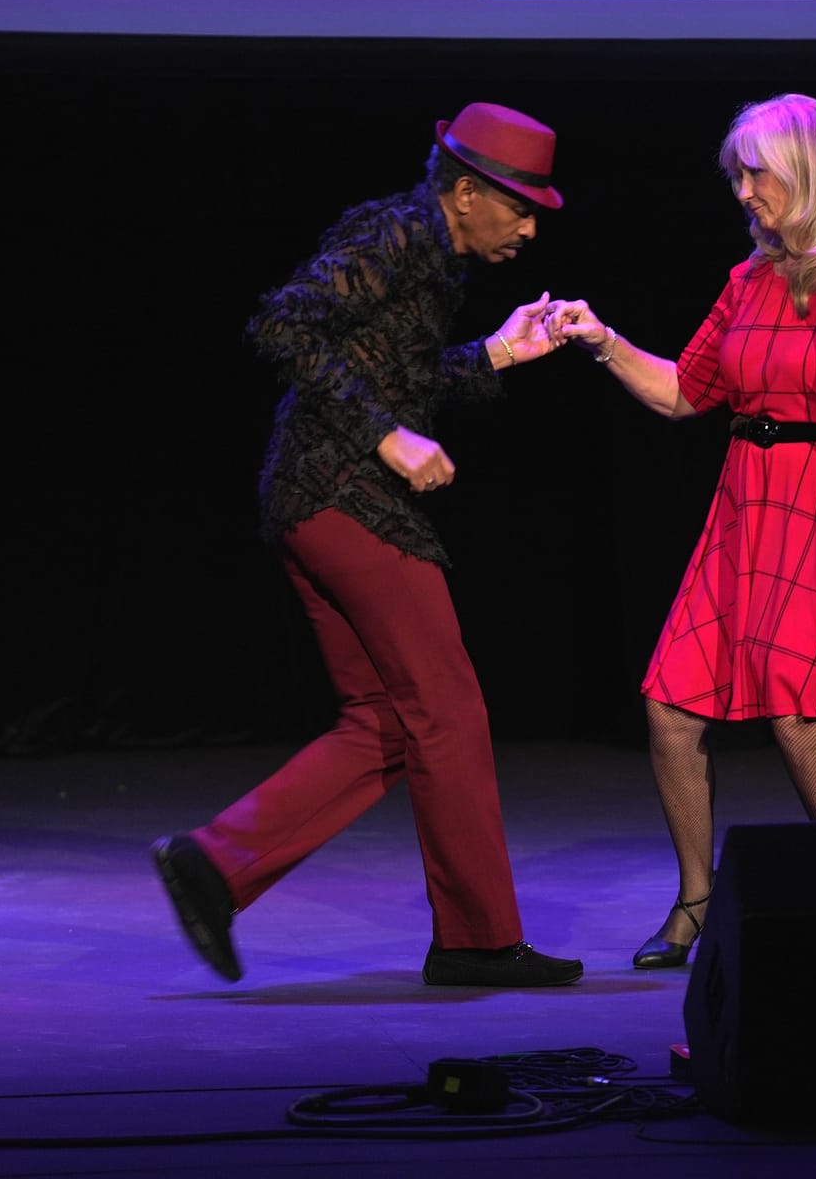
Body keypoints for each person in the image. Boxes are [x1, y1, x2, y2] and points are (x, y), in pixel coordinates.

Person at [152, 103, 584, 988]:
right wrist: (387, 434)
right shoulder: (396, 231)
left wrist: (500, 354)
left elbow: (403, 373)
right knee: (447, 708)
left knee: (388, 722)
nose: (531, 227)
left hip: (315, 497)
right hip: (342, 493)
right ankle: (478, 940)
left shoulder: (430, 253)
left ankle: (216, 864)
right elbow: (284, 324)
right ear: (465, 193)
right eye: (521, 207)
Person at [550, 93, 816, 969]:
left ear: (811, 172)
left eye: (757, 173)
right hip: (749, 495)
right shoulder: (746, 279)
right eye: (736, 176)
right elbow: (685, 391)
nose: (743, 191)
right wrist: (600, 341)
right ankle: (697, 900)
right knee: (671, 707)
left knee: (796, 715)